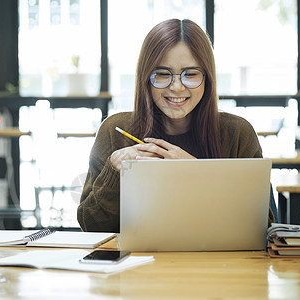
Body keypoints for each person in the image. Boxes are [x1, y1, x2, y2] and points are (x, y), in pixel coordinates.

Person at [77, 18, 274, 232]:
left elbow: (261, 227)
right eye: (162, 74)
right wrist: (115, 170)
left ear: (207, 78)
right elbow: (91, 226)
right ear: (145, 78)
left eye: (190, 74)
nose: (177, 87)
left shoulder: (237, 133)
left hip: (218, 264)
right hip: (136, 263)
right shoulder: (115, 130)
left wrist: (195, 172)